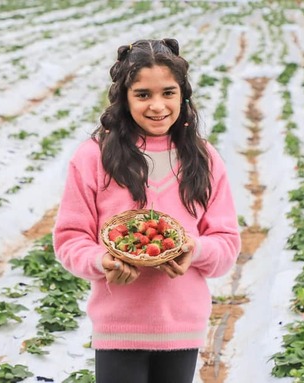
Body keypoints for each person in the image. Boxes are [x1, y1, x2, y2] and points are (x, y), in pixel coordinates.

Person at [53, 38, 241, 383]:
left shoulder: (203, 159)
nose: (158, 106)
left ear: (183, 96)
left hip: (181, 324)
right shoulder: (94, 157)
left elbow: (226, 243)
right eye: (143, 95)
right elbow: (70, 238)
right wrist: (101, 261)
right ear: (124, 98)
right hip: (119, 324)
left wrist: (193, 249)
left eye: (168, 93)